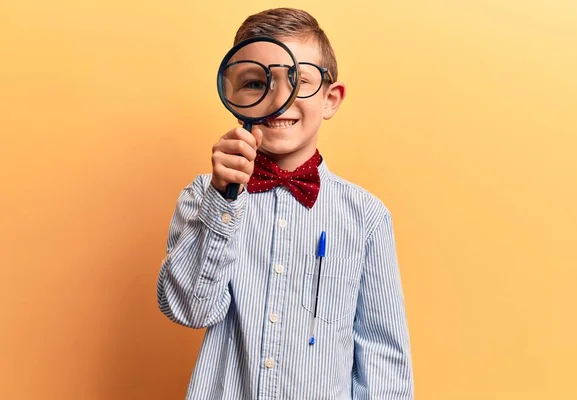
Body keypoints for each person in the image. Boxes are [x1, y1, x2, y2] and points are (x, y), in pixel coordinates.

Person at [157, 7, 414, 399]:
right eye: (255, 83)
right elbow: (190, 310)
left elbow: (383, 357)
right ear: (231, 94)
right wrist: (222, 200)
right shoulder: (202, 197)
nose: (278, 99)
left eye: (298, 81)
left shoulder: (367, 217)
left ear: (331, 99)